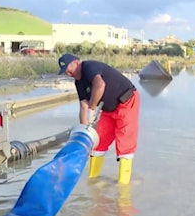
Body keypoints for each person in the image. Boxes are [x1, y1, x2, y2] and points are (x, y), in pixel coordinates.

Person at [57, 53, 140, 184]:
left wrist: (92, 108)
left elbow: (100, 86)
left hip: (127, 100)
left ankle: (123, 186)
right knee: (98, 142)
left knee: (125, 142)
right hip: (107, 109)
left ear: (77, 62)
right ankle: (93, 180)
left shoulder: (89, 67)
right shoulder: (79, 83)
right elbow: (83, 106)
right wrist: (84, 131)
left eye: (69, 67)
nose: (68, 72)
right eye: (65, 71)